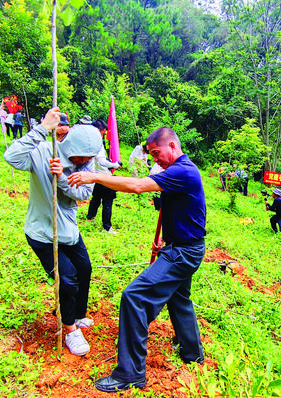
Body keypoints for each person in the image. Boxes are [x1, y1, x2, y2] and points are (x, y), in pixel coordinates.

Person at [67, 127, 206, 393]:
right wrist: (166, 240)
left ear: (173, 146)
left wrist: (95, 176)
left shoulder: (183, 170)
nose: (156, 160)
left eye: (157, 153)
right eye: (152, 155)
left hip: (182, 253)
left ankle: (130, 374)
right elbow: (176, 206)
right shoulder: (180, 170)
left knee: (134, 297)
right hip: (183, 246)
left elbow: (138, 185)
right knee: (179, 298)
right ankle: (192, 351)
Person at [3, 107, 102, 357]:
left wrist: (63, 178)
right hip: (42, 233)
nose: (83, 162)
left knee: (84, 269)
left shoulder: (88, 165)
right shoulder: (45, 152)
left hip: (69, 232)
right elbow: (11, 156)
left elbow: (83, 193)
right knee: (67, 279)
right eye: (80, 157)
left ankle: (77, 315)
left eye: (88, 158)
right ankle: (69, 330)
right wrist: (42, 129)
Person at [86, 119, 121, 235]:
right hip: (104, 177)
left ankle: (90, 217)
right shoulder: (97, 143)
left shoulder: (88, 142)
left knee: (95, 198)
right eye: (103, 133)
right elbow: (101, 162)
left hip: (95, 176)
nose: (103, 135)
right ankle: (107, 226)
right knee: (107, 202)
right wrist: (115, 164)